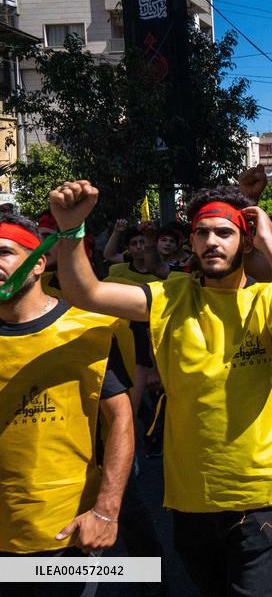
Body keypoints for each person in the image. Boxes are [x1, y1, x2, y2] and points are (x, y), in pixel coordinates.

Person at [48, 180, 272, 595]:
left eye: (225, 232)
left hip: (262, 492)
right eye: (202, 232)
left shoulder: (268, 300)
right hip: (192, 493)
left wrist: (268, 240)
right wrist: (71, 230)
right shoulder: (171, 297)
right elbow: (86, 293)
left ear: (243, 241)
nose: (212, 241)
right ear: (191, 242)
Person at [0, 214, 134, 595]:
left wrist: (107, 511)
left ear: (39, 263)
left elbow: (121, 418)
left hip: (64, 533)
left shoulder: (88, 330)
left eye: (5, 252)